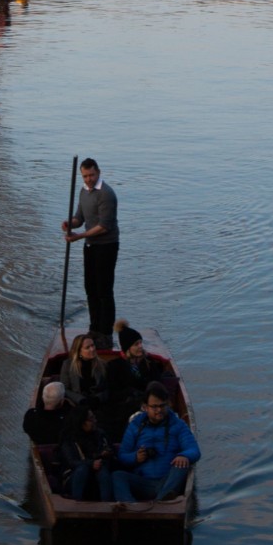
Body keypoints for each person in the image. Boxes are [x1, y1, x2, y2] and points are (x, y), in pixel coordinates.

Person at [111, 383, 200, 503]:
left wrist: (184, 455)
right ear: (145, 407)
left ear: (167, 404)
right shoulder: (135, 425)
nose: (159, 410)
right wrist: (135, 457)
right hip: (143, 482)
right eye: (154, 407)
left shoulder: (178, 425)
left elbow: (194, 450)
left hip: (167, 480)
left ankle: (160, 502)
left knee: (182, 465)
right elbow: (122, 455)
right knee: (118, 476)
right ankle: (130, 507)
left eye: (162, 406)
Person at [63, 157, 119, 343]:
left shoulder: (106, 194)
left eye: (91, 175)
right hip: (90, 246)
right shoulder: (83, 191)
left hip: (106, 246)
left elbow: (104, 226)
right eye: (85, 176)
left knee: (104, 289)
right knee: (90, 288)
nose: (88, 179)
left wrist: (79, 236)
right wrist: (69, 223)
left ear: (98, 172)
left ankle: (106, 332)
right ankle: (94, 328)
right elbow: (79, 217)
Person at [62, 406, 116, 502]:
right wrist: (91, 463)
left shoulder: (100, 434)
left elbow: (110, 448)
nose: (95, 421)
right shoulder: (69, 438)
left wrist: (106, 453)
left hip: (97, 474)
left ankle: (107, 507)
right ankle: (76, 505)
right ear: (81, 422)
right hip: (74, 476)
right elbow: (72, 462)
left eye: (94, 417)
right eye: (91, 419)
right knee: (82, 469)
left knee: (102, 470)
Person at [60, 332, 111, 410]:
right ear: (79, 351)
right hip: (77, 405)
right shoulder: (67, 365)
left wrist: (97, 398)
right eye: (87, 347)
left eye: (93, 345)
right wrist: (80, 399)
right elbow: (65, 389)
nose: (92, 349)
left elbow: (107, 388)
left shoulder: (102, 364)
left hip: (98, 405)